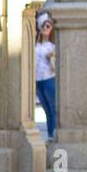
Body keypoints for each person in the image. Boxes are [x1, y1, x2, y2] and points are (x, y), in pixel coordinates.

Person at [35, 11, 57, 141]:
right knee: (45, 109)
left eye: (48, 26)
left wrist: (52, 56)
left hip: (49, 78)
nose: (45, 28)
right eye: (43, 25)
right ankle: (50, 135)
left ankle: (52, 134)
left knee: (52, 108)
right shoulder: (36, 45)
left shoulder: (52, 46)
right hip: (38, 80)